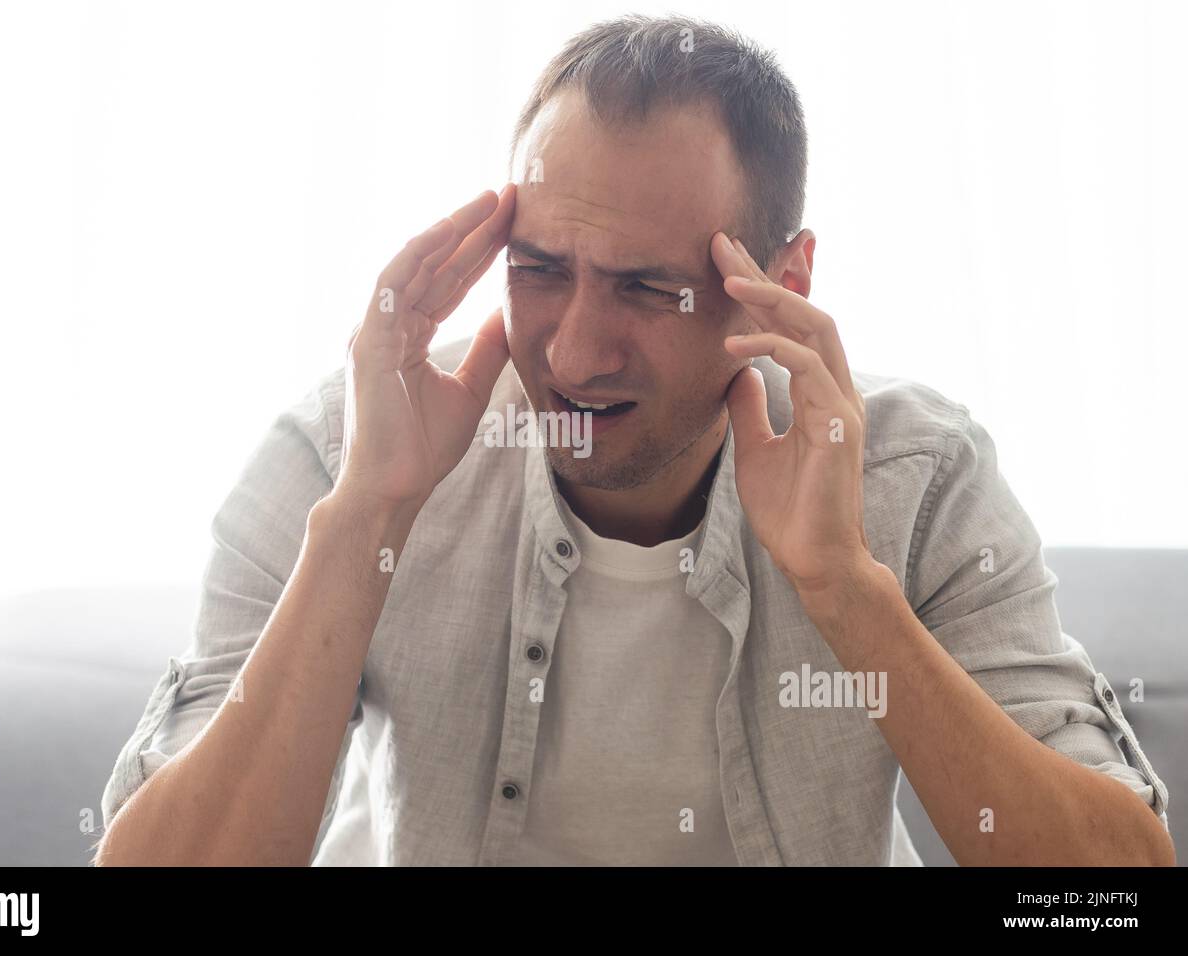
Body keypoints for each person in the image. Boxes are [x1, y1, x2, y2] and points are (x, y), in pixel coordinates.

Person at [93, 14, 1172, 866]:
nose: (572, 350)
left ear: (778, 286)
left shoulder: (911, 474)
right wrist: (366, 517)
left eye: (646, 288)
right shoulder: (352, 444)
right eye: (539, 270)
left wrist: (845, 588)